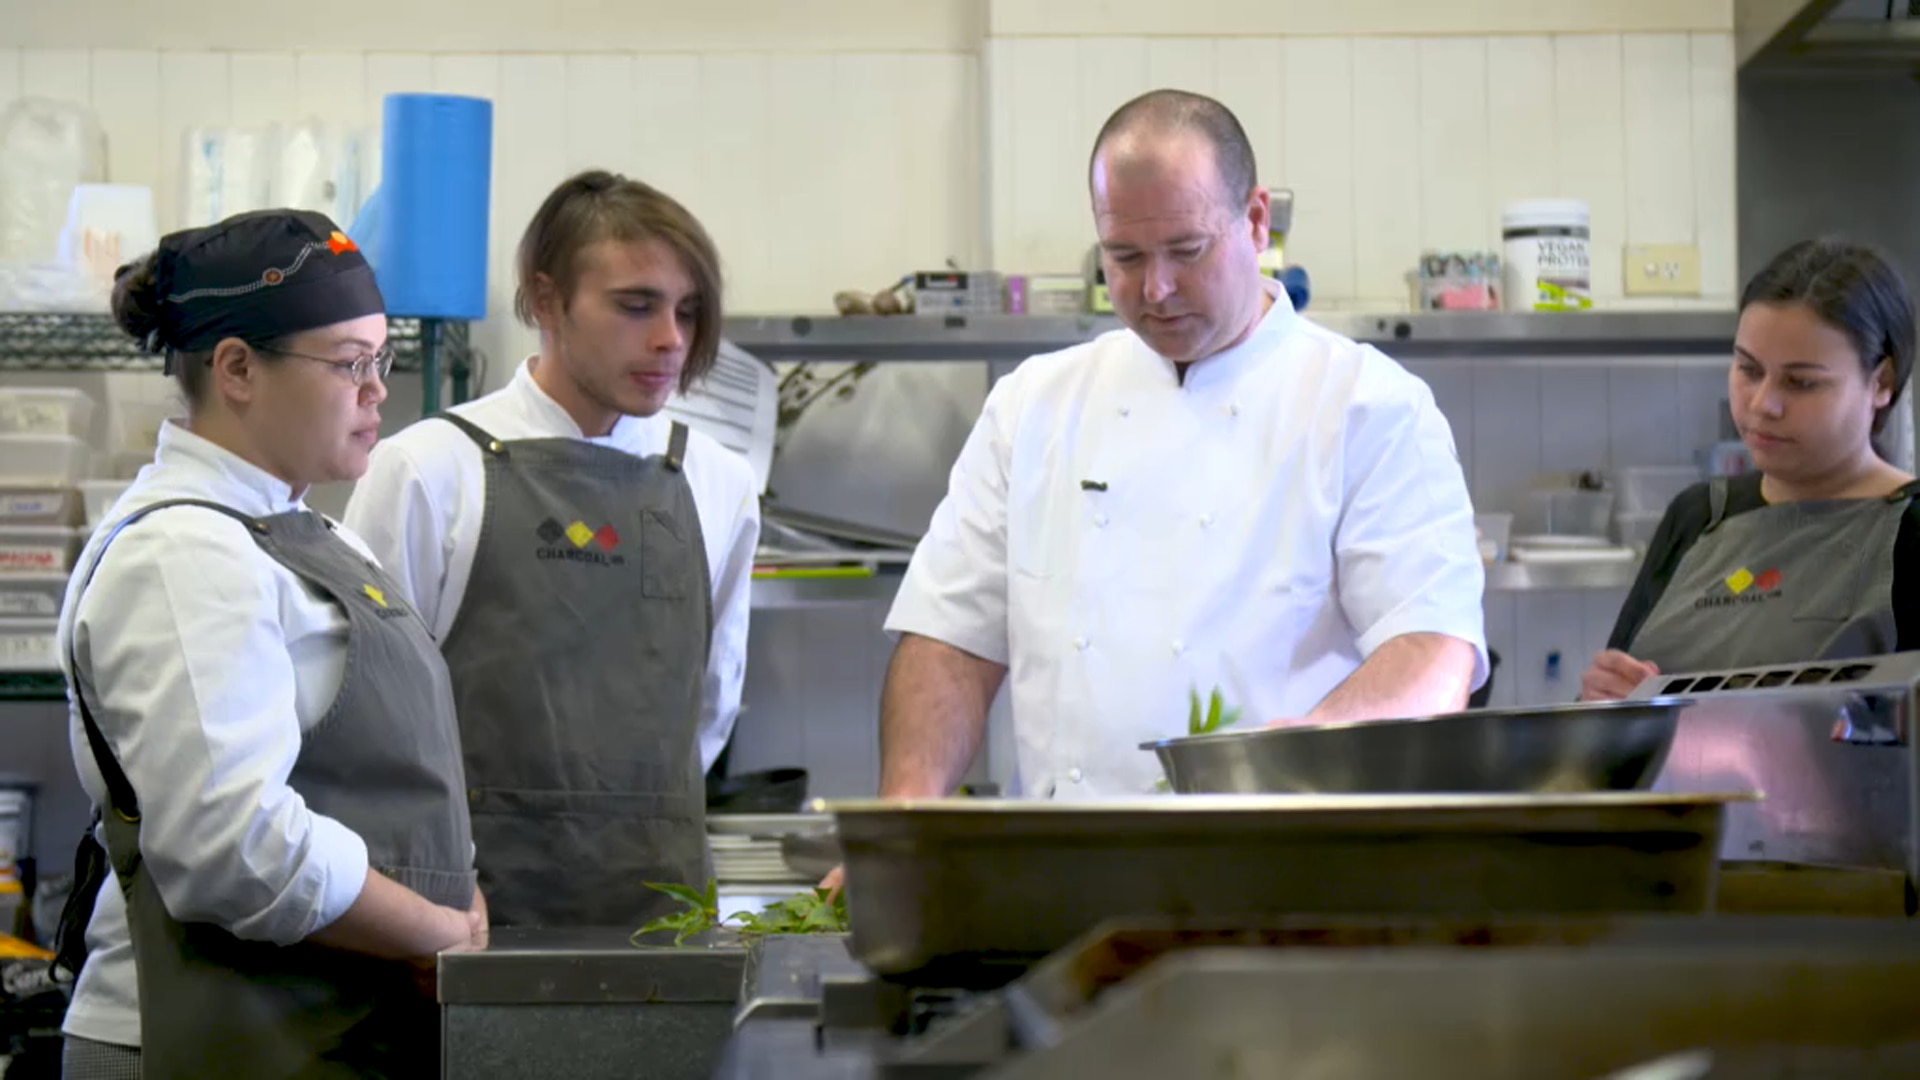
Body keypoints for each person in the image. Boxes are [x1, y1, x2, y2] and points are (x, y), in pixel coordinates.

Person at [877, 89, 1488, 803]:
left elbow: (1432, 651)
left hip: (1284, 866)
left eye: (1186, 250)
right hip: (1066, 869)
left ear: (1256, 222)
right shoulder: (1033, 405)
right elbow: (949, 639)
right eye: (1124, 256)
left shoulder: (1368, 407)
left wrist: (1288, 770)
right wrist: (904, 817)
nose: (1156, 288)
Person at [54, 210, 484, 1079]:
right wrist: (437, 930)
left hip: (326, 1034)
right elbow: (232, 843)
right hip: (202, 1041)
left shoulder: (310, 534)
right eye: (349, 364)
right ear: (238, 368)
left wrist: (458, 896)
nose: (377, 392)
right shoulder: (182, 554)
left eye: (382, 361)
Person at [343, 171, 760, 928]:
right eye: (636, 306)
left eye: (688, 311)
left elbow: (712, 701)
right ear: (544, 300)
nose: (671, 339)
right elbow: (374, 721)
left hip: (663, 916)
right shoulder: (430, 468)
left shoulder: (718, 482)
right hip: (461, 916)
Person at [1582, 239, 1918, 701]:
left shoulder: (1909, 530)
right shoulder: (1699, 516)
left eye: (1801, 382)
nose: (1763, 405)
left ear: (1880, 382)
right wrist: (1608, 702)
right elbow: (1614, 705)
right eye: (1748, 369)